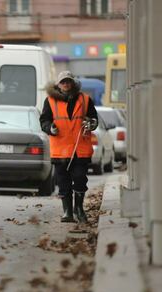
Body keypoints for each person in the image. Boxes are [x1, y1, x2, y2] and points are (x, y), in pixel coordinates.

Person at [40, 71, 98, 224]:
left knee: (80, 178)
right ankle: (67, 212)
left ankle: (79, 209)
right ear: (58, 84)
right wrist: (49, 128)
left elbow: (94, 118)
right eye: (63, 82)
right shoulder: (50, 101)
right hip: (60, 150)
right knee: (63, 183)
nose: (66, 84)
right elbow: (44, 120)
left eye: (68, 81)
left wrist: (91, 123)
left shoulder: (85, 100)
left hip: (81, 149)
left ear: (73, 83)